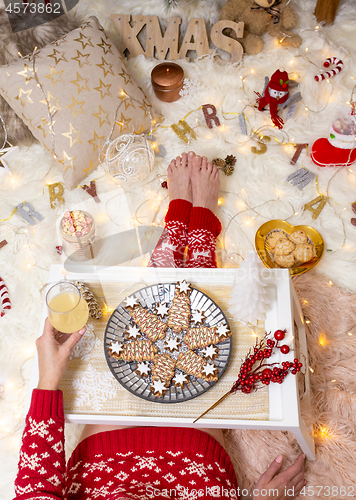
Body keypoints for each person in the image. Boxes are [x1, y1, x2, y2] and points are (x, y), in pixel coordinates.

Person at [14, 153, 306, 500]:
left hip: (107, 458)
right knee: (193, 325)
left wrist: (48, 380)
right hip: (193, 464)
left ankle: (177, 222)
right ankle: (200, 230)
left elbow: (35, 486)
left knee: (147, 319)